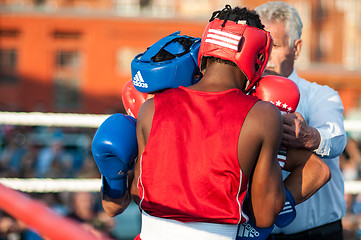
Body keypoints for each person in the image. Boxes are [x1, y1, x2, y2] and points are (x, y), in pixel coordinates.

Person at [99, 5, 287, 239]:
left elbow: (139, 193)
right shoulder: (263, 116)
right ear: (258, 56)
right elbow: (265, 215)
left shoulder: (151, 108)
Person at [255, 2, 347, 239]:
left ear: (296, 48)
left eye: (274, 45)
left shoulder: (321, 95)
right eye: (259, 45)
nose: (265, 54)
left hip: (316, 234)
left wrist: (310, 136)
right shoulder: (241, 96)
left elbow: (335, 138)